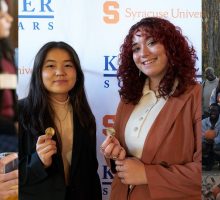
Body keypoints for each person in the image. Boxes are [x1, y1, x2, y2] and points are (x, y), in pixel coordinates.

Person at [101, 17, 201, 200]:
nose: (143, 53)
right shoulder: (128, 98)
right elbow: (120, 164)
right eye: (136, 48)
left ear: (171, 47)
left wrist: (148, 174)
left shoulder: (196, 96)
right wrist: (114, 154)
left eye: (152, 42)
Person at [19, 41, 102, 200]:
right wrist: (39, 161)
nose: (60, 72)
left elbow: (90, 172)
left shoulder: (84, 114)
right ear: (38, 72)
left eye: (68, 65)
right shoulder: (21, 112)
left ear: (77, 72)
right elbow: (8, 172)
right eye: (50, 66)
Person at [0, 0, 18, 199]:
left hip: (10, 140)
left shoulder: (6, 53)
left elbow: (10, 96)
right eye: (2, 16)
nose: (10, 19)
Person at [202, 103, 220, 171]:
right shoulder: (203, 122)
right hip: (206, 142)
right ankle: (207, 162)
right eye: (211, 110)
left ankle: (217, 161)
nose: (213, 112)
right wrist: (205, 139)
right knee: (202, 146)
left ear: (219, 112)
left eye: (215, 110)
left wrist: (214, 140)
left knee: (216, 147)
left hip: (217, 143)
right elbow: (201, 134)